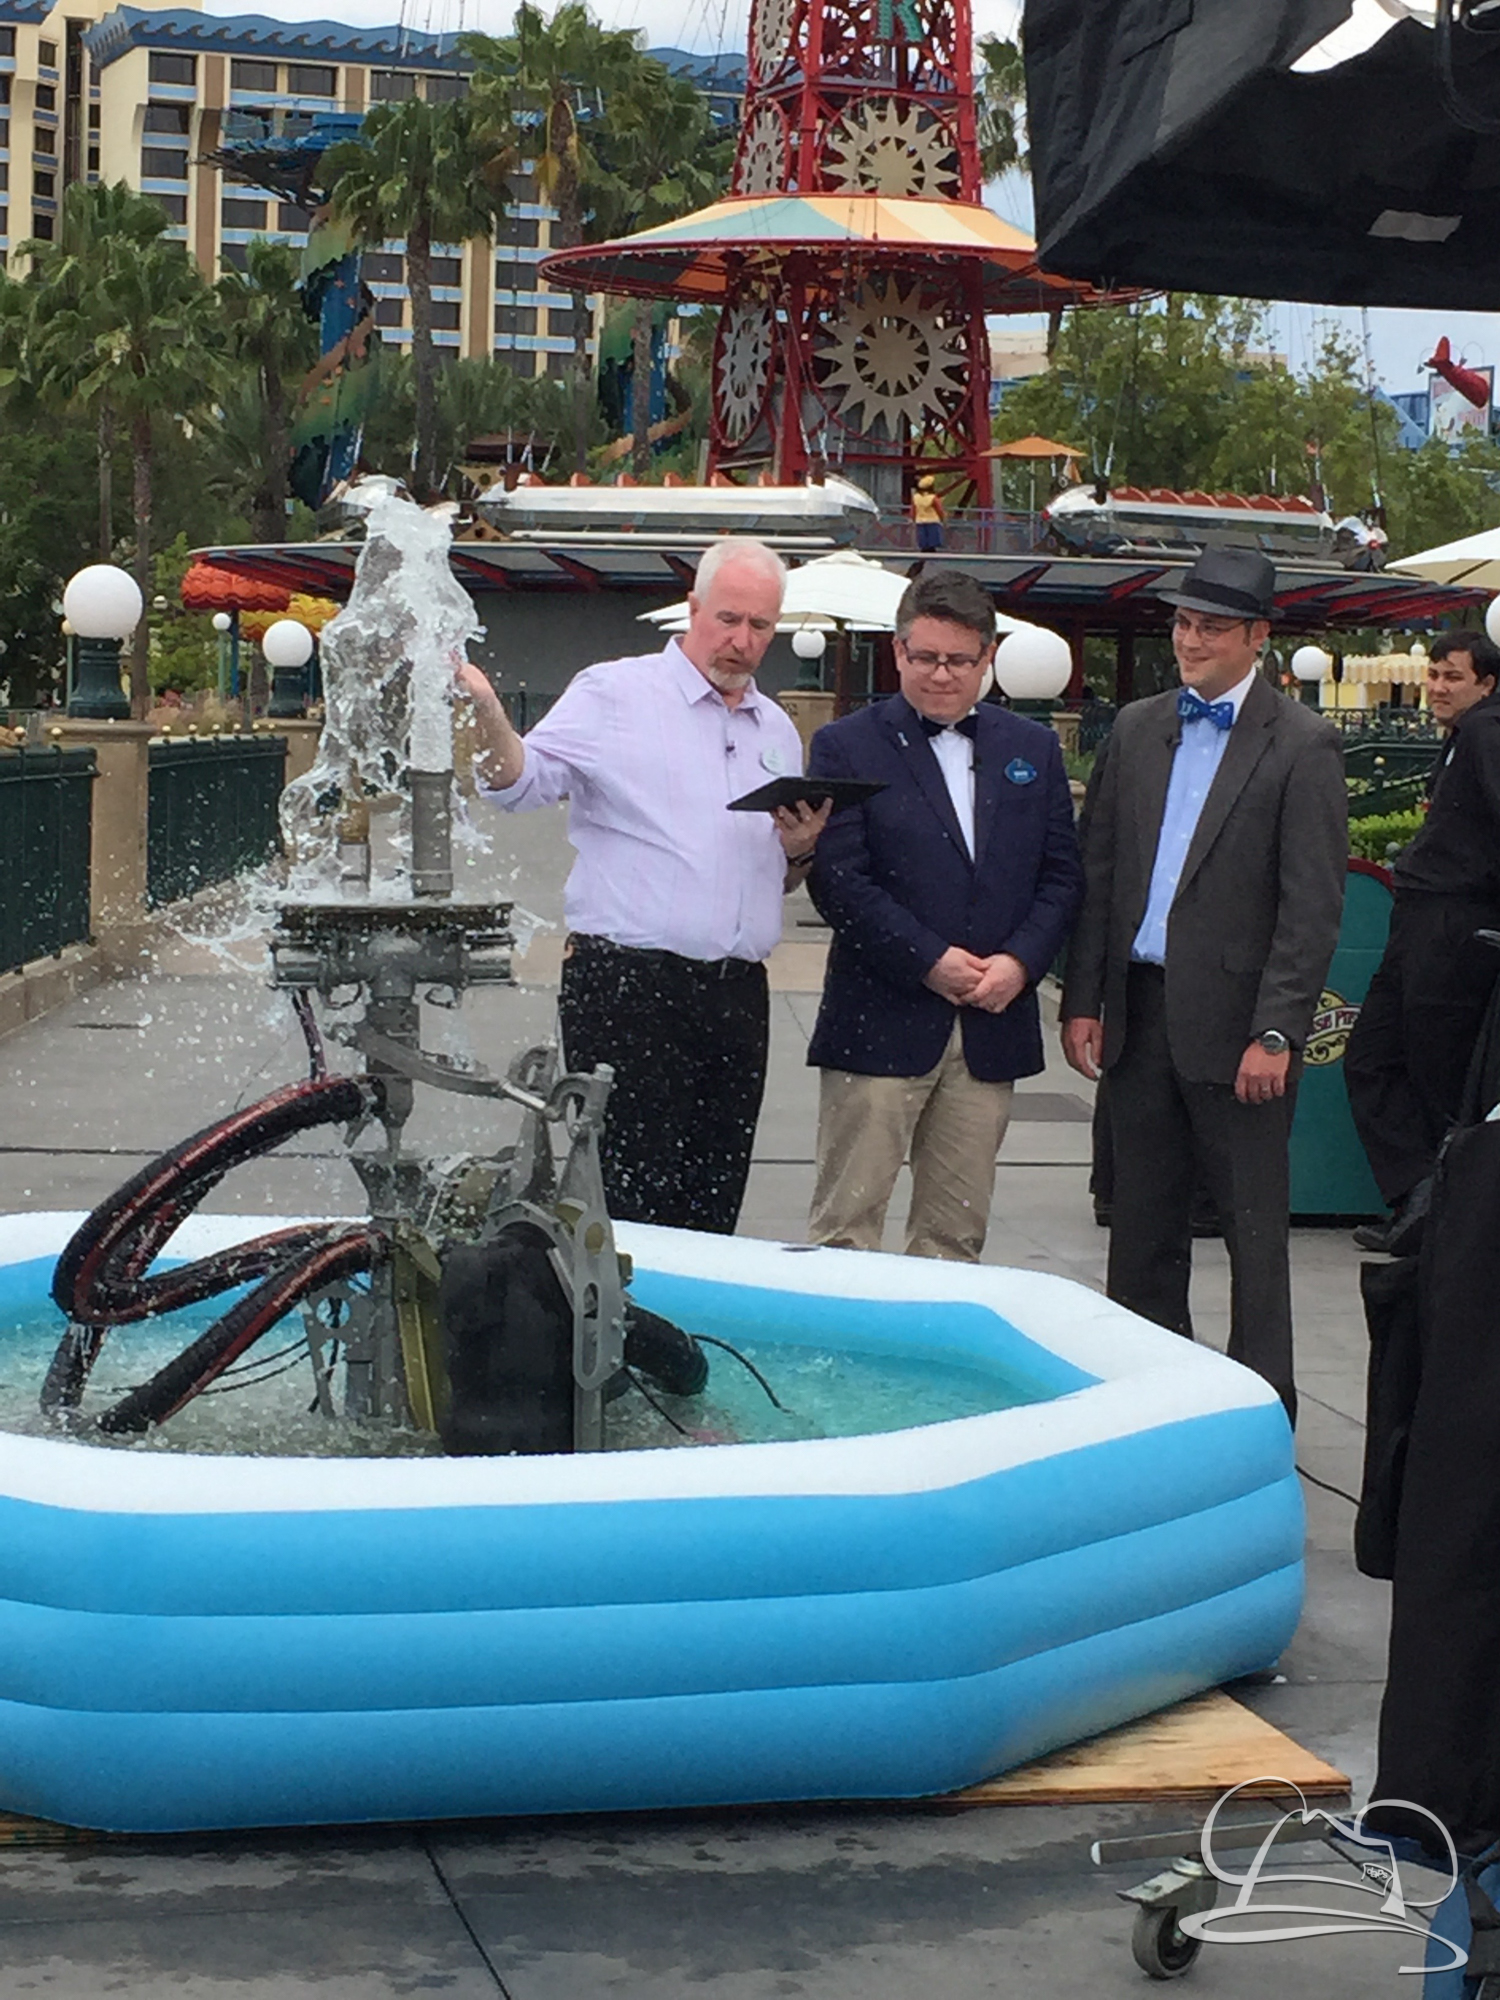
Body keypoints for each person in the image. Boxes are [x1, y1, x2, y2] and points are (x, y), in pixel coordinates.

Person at [459, 536, 830, 1234]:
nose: (742, 641)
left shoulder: (776, 729)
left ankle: (681, 1308)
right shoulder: (615, 693)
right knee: (629, 1203)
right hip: (629, 988)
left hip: (737, 995)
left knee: (715, 1202)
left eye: (760, 625)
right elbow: (519, 785)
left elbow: (773, 876)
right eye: (728, 619)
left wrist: (800, 851)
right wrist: (486, 710)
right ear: (693, 609)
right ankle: (618, 1308)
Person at [1060, 547, 1347, 1418]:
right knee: (1141, 1230)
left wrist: (1278, 1031)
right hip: (1140, 1016)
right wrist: (1083, 1000)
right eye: (1184, 623)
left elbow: (1311, 907)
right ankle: (1148, 1406)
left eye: (1211, 628)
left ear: (1258, 637)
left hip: (1242, 1028)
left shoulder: (1303, 743)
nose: (1190, 641)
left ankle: (1260, 1413)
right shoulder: (1137, 728)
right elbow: (1100, 874)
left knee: (1254, 1237)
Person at [803, 569, 1084, 1261]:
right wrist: (929, 961)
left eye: (959, 660)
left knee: (954, 1243)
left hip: (990, 1025)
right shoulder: (845, 746)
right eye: (924, 656)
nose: (940, 674)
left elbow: (1061, 875)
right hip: (879, 1022)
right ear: (897, 652)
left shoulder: (1031, 750)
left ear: (988, 658)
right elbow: (839, 880)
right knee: (845, 1234)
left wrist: (1020, 963)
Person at [1345, 629, 1500, 1254]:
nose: (1437, 687)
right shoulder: (1465, 736)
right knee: (1372, 1057)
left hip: (1455, 924)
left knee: (1440, 1077)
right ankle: (1419, 1198)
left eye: (1452, 677)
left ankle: (1444, 1223)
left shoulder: (1486, 732)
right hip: (1419, 918)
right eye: (1433, 675)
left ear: (1487, 684)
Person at [910, 475, 945, 553]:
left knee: (923, 542)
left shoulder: (916, 497)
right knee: (933, 542)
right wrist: (942, 518)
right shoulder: (933, 498)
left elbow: (913, 511)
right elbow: (939, 510)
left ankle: (923, 554)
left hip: (920, 521)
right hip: (933, 521)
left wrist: (913, 519)